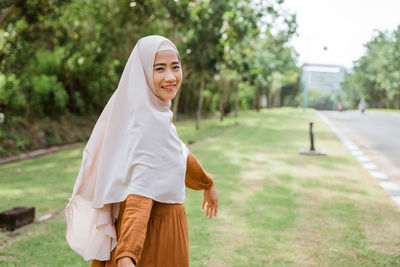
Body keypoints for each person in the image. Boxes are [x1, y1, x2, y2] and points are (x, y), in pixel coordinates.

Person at [64, 35, 219, 267]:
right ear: (144, 73)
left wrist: (207, 183)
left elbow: (179, 154)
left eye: (175, 67)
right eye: (159, 68)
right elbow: (140, 192)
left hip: (157, 230)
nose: (170, 77)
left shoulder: (149, 114)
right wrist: (127, 255)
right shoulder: (148, 124)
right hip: (153, 237)